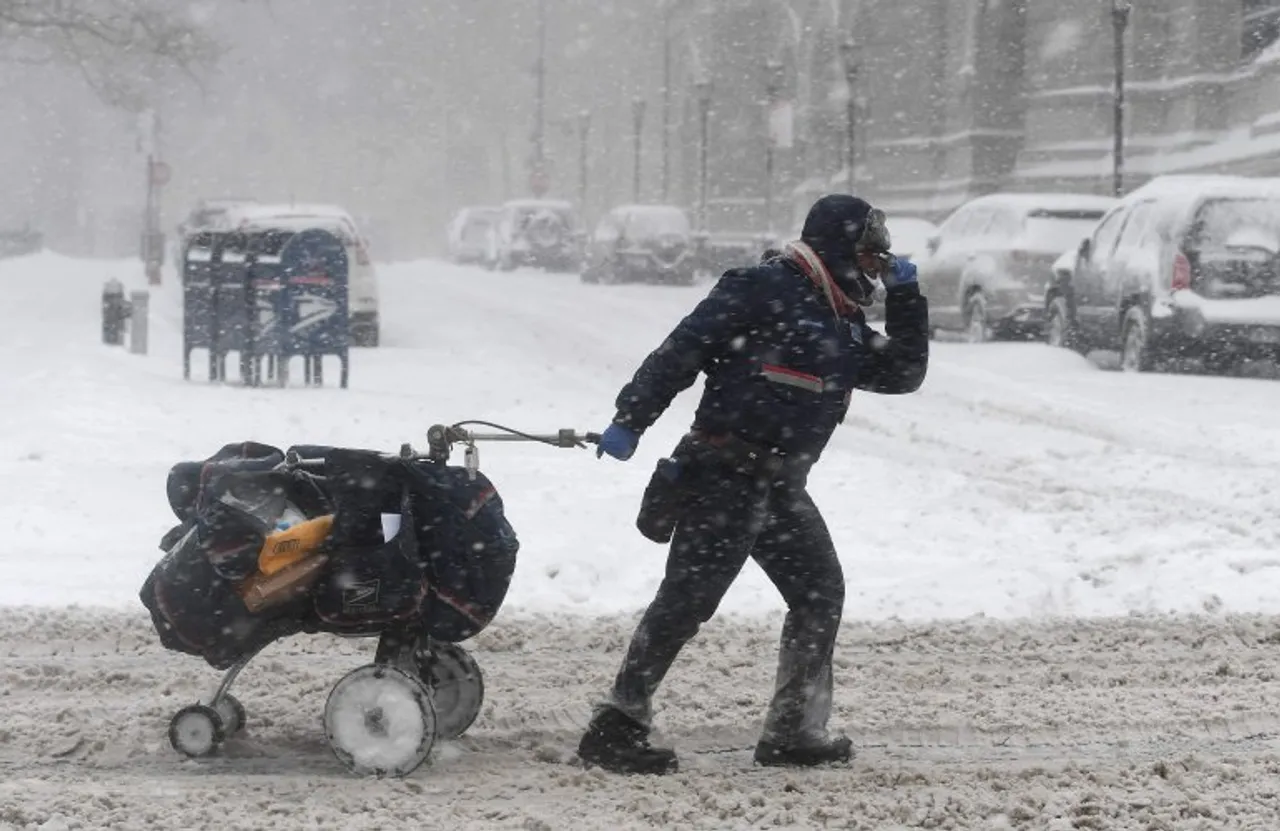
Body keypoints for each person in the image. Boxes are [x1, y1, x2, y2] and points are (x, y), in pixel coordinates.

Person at [576, 193, 930, 775]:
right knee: (687, 601)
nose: (875, 270)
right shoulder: (760, 288)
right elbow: (679, 351)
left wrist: (908, 299)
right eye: (869, 258)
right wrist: (629, 421)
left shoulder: (842, 321)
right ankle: (615, 726)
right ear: (839, 248)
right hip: (723, 474)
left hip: (783, 488)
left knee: (820, 593)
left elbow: (904, 374)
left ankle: (792, 731)